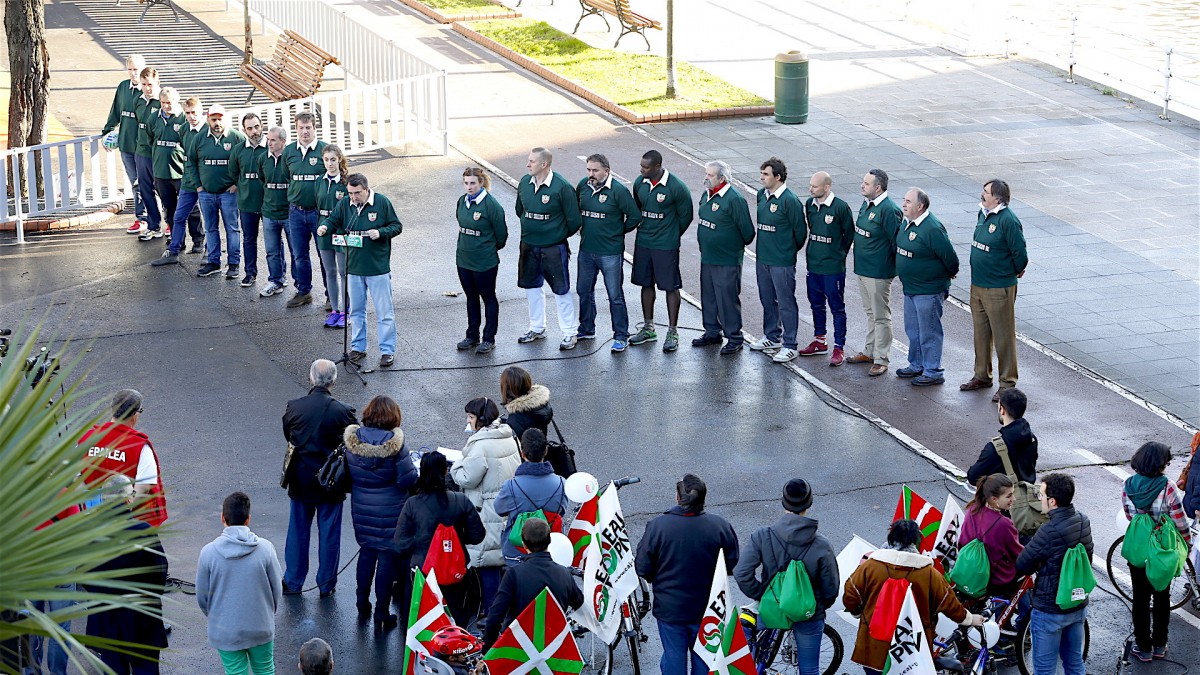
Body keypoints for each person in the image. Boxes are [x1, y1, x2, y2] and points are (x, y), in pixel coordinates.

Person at [843, 519, 981, 675]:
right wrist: (969, 619)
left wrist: (856, 612)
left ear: (891, 537)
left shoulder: (871, 566)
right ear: (916, 541)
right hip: (911, 649)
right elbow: (949, 603)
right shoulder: (929, 573)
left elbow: (851, 593)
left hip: (873, 646)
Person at [635, 474, 738, 675]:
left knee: (673, 659)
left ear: (677, 497)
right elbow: (731, 565)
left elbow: (643, 568)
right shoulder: (720, 526)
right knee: (705, 661)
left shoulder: (658, 527)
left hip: (670, 610)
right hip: (708, 611)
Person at [733, 479, 837, 675]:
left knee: (745, 636)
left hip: (771, 608)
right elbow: (831, 588)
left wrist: (762, 594)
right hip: (808, 614)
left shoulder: (762, 536)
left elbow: (741, 573)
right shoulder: (822, 545)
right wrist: (815, 606)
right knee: (809, 670)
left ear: (784, 502)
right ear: (809, 503)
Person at [281, 359, 358, 597]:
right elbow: (352, 443)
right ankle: (326, 584)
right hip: (331, 480)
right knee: (329, 535)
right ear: (333, 381)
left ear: (311, 379)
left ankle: (293, 581)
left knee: (298, 532)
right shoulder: (343, 411)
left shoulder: (294, 407)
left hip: (301, 479)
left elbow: (288, 435)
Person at [343, 395, 418, 630]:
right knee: (386, 558)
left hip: (362, 507)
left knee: (366, 552)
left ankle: (361, 603)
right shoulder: (396, 445)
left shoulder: (353, 442)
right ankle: (382, 612)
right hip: (391, 509)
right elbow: (407, 479)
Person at [85, 476, 169, 675]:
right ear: (129, 499)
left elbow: (84, 577)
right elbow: (160, 573)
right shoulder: (144, 532)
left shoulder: (91, 536)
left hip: (106, 620)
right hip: (142, 619)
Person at [318, 173, 402, 368]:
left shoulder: (381, 202)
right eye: (350, 193)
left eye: (357, 193)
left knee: (384, 312)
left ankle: (387, 351)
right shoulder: (346, 204)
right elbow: (333, 220)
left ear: (366, 189)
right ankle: (358, 347)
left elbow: (396, 226)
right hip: (353, 267)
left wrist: (381, 232)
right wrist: (324, 227)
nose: (353, 197)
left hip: (377, 268)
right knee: (356, 311)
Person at [196, 492, 283, 675]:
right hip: (261, 625)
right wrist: (267, 612)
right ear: (248, 519)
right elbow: (277, 589)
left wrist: (215, 616)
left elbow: (202, 597)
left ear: (222, 518)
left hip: (225, 630)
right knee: (265, 670)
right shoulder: (266, 549)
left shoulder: (208, 553)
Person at [395, 452, 486, 625]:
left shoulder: (413, 504)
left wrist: (421, 543)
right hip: (456, 572)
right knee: (456, 620)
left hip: (423, 573)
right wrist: (457, 541)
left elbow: (400, 543)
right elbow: (478, 535)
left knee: (423, 622)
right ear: (446, 471)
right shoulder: (461, 500)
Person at [1015, 473, 1093, 675]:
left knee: (1044, 669)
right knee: (1074, 662)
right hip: (1076, 605)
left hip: (1050, 609)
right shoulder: (1083, 521)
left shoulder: (1048, 531)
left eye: (1041, 495)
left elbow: (1023, 564)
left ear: (1052, 501)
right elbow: (1088, 556)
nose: (1039, 498)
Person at [1121, 442, 1192, 661]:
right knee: (1162, 596)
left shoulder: (1128, 484)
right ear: (1160, 464)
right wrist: (1186, 543)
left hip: (1139, 548)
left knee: (1140, 599)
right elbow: (1179, 520)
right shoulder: (1167, 486)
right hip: (1162, 549)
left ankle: (1144, 648)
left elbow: (1128, 515)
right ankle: (1160, 644)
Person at [451, 396, 521, 615]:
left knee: (487, 560)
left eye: (470, 417)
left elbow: (466, 478)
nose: (468, 421)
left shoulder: (480, 445)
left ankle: (490, 611)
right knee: (502, 557)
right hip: (505, 506)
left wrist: (456, 466)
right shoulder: (509, 436)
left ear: (480, 419)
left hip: (486, 510)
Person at [962, 179, 1029, 402]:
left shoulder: (1008, 221)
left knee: (1003, 337)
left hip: (998, 288)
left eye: (986, 192)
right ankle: (982, 375)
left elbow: (1020, 254)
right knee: (981, 335)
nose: (982, 195)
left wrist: (1011, 272)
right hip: (978, 285)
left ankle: (1007, 383)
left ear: (998, 198)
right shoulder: (983, 213)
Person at [514, 147, 582, 350]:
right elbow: (520, 210)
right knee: (532, 288)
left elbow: (574, 220)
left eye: (532, 161)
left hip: (553, 247)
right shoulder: (525, 183)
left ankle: (570, 332)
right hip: (529, 245)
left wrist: (555, 236)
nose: (528, 164)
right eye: (528, 160)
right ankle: (537, 328)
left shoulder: (562, 187)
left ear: (544, 164)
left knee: (561, 290)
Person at [481, 518, 583, 651]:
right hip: (551, 648)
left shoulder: (513, 575)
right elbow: (579, 603)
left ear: (523, 544)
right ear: (550, 541)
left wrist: (487, 651)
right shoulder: (564, 574)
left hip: (518, 649)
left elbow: (495, 617)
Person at [575, 153, 639, 352]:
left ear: (607, 171)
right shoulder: (583, 187)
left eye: (595, 170)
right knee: (584, 291)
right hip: (586, 251)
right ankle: (586, 328)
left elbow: (635, 216)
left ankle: (621, 335)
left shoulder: (618, 191)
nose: (591, 174)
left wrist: (618, 232)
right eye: (588, 170)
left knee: (615, 295)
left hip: (610, 253)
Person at [630, 149, 693, 352]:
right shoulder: (640, 183)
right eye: (641, 166)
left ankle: (673, 331)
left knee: (670, 287)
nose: (641, 170)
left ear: (657, 167)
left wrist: (671, 235)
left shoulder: (676, 187)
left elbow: (686, 217)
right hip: (644, 242)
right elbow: (637, 207)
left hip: (666, 245)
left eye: (645, 167)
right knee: (645, 284)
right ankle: (649, 327)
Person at [895, 187, 959, 386]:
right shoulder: (907, 223)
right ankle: (916, 364)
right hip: (911, 289)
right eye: (904, 200)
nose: (903, 204)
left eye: (908, 201)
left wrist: (942, 279)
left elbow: (950, 259)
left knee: (929, 331)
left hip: (928, 290)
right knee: (913, 330)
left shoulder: (932, 228)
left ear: (920, 206)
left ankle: (932, 371)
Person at [78, 389, 168, 527]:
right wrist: (124, 515)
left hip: (89, 522)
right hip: (126, 527)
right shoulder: (140, 447)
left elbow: (76, 480)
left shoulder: (86, 439)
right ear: (135, 414)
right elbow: (143, 487)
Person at [693, 160, 755, 355]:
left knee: (727, 299)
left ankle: (734, 337)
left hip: (727, 259)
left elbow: (748, 232)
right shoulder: (707, 195)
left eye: (710, 175)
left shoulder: (734, 199)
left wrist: (731, 246)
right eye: (706, 174)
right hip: (708, 257)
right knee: (709, 297)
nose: (706, 178)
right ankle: (712, 331)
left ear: (722, 178)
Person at [748, 157, 806, 363]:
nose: (761, 178)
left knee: (786, 302)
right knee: (766, 298)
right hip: (762, 258)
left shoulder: (790, 201)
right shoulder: (761, 195)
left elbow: (800, 233)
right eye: (761, 173)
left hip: (781, 261)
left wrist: (786, 252)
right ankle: (772, 336)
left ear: (778, 177)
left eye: (766, 174)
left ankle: (790, 344)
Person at [846, 169, 902, 376]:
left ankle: (882, 359)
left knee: (881, 316)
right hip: (863, 269)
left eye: (866, 183)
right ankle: (869, 351)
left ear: (878, 188)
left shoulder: (889, 210)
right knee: (871, 313)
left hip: (878, 272)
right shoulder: (867, 204)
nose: (862, 186)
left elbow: (896, 241)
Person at [799, 171, 855, 366]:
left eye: (814, 186)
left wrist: (838, 256)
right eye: (810, 185)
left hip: (833, 268)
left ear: (827, 187)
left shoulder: (840, 208)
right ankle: (820, 341)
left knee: (837, 308)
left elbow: (849, 235)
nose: (810, 189)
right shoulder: (809, 205)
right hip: (814, 265)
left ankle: (839, 347)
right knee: (816, 304)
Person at [493, 429, 568, 566]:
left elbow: (498, 509)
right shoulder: (561, 484)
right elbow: (561, 511)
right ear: (545, 451)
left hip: (517, 553)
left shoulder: (512, 485)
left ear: (522, 453)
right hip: (550, 549)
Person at [456, 167, 508, 353]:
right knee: (471, 297)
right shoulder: (462, 202)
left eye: (472, 183)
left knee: (488, 297)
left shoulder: (491, 205)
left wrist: (486, 249)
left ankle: (489, 338)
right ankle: (472, 336)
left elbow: (501, 235)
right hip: (463, 258)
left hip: (484, 261)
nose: (468, 187)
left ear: (481, 183)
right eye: (466, 183)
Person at [191, 104, 246, 279]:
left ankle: (234, 264)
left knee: (232, 228)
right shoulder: (199, 138)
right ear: (208, 119)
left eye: (220, 119)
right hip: (206, 193)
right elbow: (190, 162)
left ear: (226, 119)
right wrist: (198, 186)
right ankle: (213, 263)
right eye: (213, 119)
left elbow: (247, 162)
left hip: (229, 194)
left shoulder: (237, 138)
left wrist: (237, 184)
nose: (217, 123)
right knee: (210, 228)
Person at [151, 95, 206, 265]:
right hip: (179, 177)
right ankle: (175, 248)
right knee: (175, 214)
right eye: (188, 112)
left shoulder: (206, 130)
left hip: (198, 180)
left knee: (201, 215)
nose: (191, 116)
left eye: (194, 112)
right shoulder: (184, 128)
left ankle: (203, 246)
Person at [284, 112, 329, 309]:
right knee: (299, 254)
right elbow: (287, 177)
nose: (304, 131)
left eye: (308, 127)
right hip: (296, 212)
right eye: (300, 128)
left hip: (318, 213)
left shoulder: (324, 150)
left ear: (314, 128)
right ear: (296, 129)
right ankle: (304, 292)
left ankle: (332, 295)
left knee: (324, 254)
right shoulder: (289, 151)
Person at [959, 474, 1024, 599]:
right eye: (1009, 496)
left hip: (970, 572)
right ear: (994, 499)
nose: (1014, 499)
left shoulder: (972, 510)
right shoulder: (1003, 524)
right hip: (996, 579)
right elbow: (1018, 553)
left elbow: (962, 541)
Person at [102, 54, 147, 232]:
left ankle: (164, 218)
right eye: (130, 69)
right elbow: (115, 112)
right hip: (127, 146)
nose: (133, 73)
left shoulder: (149, 90)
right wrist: (107, 132)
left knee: (151, 184)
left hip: (145, 148)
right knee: (135, 183)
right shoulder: (122, 87)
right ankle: (141, 218)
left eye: (136, 69)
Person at [966, 388, 1038, 486]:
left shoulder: (996, 448)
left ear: (1002, 409)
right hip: (1027, 495)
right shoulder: (1031, 439)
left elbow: (973, 477)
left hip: (1004, 498)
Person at [144, 87, 185, 260]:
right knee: (169, 208)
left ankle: (198, 241)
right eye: (163, 102)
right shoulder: (154, 117)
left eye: (169, 102)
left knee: (190, 210)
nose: (166, 106)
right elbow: (149, 137)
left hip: (181, 173)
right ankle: (177, 240)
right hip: (161, 172)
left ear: (176, 101)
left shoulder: (183, 118)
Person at [228, 113, 268, 288]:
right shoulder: (238, 150)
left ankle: (279, 276)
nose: (254, 131)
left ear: (262, 126)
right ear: (244, 130)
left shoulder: (270, 147)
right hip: (246, 203)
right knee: (249, 239)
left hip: (269, 204)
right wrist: (242, 185)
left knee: (273, 242)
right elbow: (233, 172)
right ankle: (250, 273)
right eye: (250, 128)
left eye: (256, 127)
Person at [257, 126, 294, 298]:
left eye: (273, 140)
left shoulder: (292, 159)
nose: (269, 143)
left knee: (296, 251)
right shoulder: (262, 158)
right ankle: (276, 280)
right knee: (272, 250)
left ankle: (301, 286)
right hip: (269, 212)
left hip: (289, 213)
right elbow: (262, 179)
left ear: (283, 142)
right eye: (268, 139)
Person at [316, 145, 350, 328]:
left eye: (333, 160)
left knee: (344, 272)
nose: (329, 164)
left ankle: (346, 311)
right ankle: (335, 310)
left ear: (339, 160)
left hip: (340, 230)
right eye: (326, 160)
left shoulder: (346, 183)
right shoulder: (319, 181)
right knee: (329, 271)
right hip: (323, 228)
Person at [132, 67, 163, 241]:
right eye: (144, 84)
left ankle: (172, 226)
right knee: (145, 191)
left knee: (164, 191)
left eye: (150, 84)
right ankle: (153, 226)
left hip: (158, 154)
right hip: (141, 152)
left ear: (157, 82)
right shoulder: (139, 100)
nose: (147, 88)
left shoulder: (162, 102)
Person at [498, 366, 552, 442]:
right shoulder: (541, 405)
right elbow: (525, 422)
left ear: (507, 390)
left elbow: (516, 428)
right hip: (538, 448)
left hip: (525, 452)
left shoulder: (516, 417)